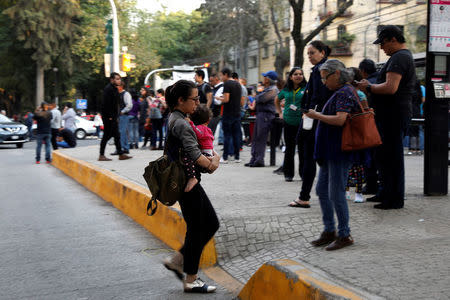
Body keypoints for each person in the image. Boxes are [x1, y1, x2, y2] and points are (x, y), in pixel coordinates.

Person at [162, 80, 220, 293]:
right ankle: (191, 278)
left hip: (182, 182)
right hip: (188, 183)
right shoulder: (183, 124)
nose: (197, 103)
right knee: (204, 226)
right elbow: (195, 155)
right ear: (181, 100)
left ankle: (179, 261)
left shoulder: (175, 118)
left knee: (203, 225)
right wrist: (214, 162)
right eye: (194, 99)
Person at [357, 25, 416, 210]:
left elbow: (391, 88)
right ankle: (385, 192)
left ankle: (394, 198)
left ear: (392, 39)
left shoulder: (399, 58)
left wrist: (368, 87)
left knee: (392, 158)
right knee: (384, 157)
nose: (382, 48)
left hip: (393, 116)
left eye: (382, 43)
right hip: (390, 115)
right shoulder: (399, 57)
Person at [304, 59, 360, 251]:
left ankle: (345, 234)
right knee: (322, 191)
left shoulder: (344, 92)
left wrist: (316, 115)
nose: (323, 82)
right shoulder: (339, 92)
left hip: (339, 151)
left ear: (336, 74)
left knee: (336, 193)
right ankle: (330, 230)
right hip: (330, 151)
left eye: (325, 77)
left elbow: (340, 120)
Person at [294, 40, 334, 208]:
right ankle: (330, 193)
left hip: (315, 119)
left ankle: (304, 197)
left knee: (310, 156)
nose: (309, 56)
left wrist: (309, 111)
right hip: (318, 118)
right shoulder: (320, 69)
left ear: (322, 53)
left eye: (312, 53)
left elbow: (317, 96)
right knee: (318, 158)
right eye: (308, 54)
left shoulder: (320, 70)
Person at [275, 67, 307, 184]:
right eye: (296, 74)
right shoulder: (286, 89)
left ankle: (304, 174)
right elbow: (277, 100)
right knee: (289, 149)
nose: (299, 76)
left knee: (303, 149)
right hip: (288, 121)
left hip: (302, 122)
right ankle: (288, 174)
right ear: (291, 77)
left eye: (301, 74)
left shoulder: (306, 88)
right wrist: (280, 113)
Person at [245, 71, 279, 167]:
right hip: (261, 115)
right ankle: (254, 159)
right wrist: (257, 97)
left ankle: (259, 160)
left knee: (260, 138)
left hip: (266, 116)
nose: (264, 79)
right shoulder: (268, 89)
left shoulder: (273, 90)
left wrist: (257, 97)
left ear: (268, 79)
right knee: (255, 138)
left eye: (265, 77)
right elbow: (258, 98)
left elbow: (261, 99)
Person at [98, 72, 132, 161]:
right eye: (117, 79)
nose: (119, 80)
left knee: (117, 135)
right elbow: (105, 104)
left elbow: (115, 105)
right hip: (108, 117)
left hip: (113, 116)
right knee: (106, 135)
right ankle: (101, 155)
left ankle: (120, 154)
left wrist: (115, 116)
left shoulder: (114, 89)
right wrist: (109, 116)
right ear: (112, 80)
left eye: (119, 79)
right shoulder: (108, 89)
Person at [183, 104, 215, 192]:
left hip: (205, 155)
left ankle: (192, 178)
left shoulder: (202, 128)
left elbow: (197, 133)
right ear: (208, 120)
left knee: (188, 156)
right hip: (207, 153)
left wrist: (190, 123)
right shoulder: (207, 129)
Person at [218, 67, 242, 163]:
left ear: (226, 75)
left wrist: (219, 98)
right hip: (237, 113)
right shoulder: (238, 84)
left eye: (221, 75)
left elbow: (226, 99)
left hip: (228, 113)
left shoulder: (227, 84)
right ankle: (237, 157)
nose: (221, 77)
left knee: (227, 135)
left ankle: (225, 158)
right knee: (236, 135)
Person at [114, 81, 132, 154]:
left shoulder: (126, 94)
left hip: (123, 115)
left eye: (117, 86)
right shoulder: (117, 94)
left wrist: (122, 111)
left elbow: (129, 105)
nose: (116, 87)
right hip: (119, 115)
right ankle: (125, 148)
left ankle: (121, 148)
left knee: (122, 132)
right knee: (122, 132)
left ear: (121, 86)